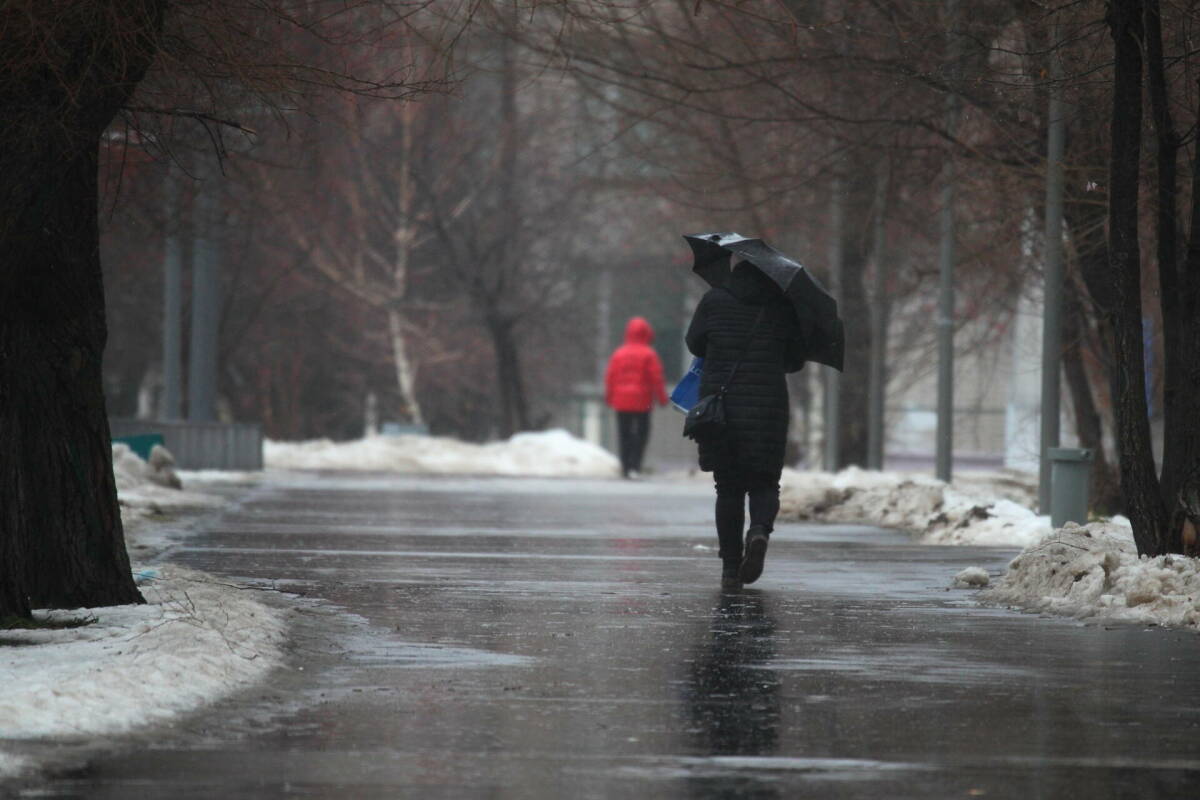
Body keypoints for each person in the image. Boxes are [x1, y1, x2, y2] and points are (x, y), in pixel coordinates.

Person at [685, 261, 807, 589]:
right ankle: (759, 532)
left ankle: (729, 568)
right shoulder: (782, 304)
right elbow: (795, 360)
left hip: (721, 408)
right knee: (765, 482)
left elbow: (694, 343)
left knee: (728, 487)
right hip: (768, 406)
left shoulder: (714, 299)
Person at [604, 316, 669, 478]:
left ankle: (626, 467)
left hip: (622, 401)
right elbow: (657, 378)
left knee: (624, 433)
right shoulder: (649, 354)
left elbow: (610, 376)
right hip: (642, 401)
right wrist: (661, 398)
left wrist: (609, 397)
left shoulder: (619, 353)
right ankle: (635, 465)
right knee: (642, 433)